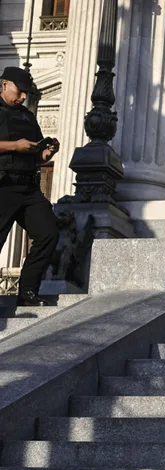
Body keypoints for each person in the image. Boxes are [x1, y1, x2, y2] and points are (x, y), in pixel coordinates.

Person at [0, 66, 59, 307]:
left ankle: (28, 292)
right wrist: (14, 146)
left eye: (26, 92)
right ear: (4, 84)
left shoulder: (27, 115)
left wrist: (46, 152)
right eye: (20, 90)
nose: (24, 96)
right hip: (3, 185)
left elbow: (35, 153)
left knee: (48, 233)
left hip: (28, 188)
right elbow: (16, 147)